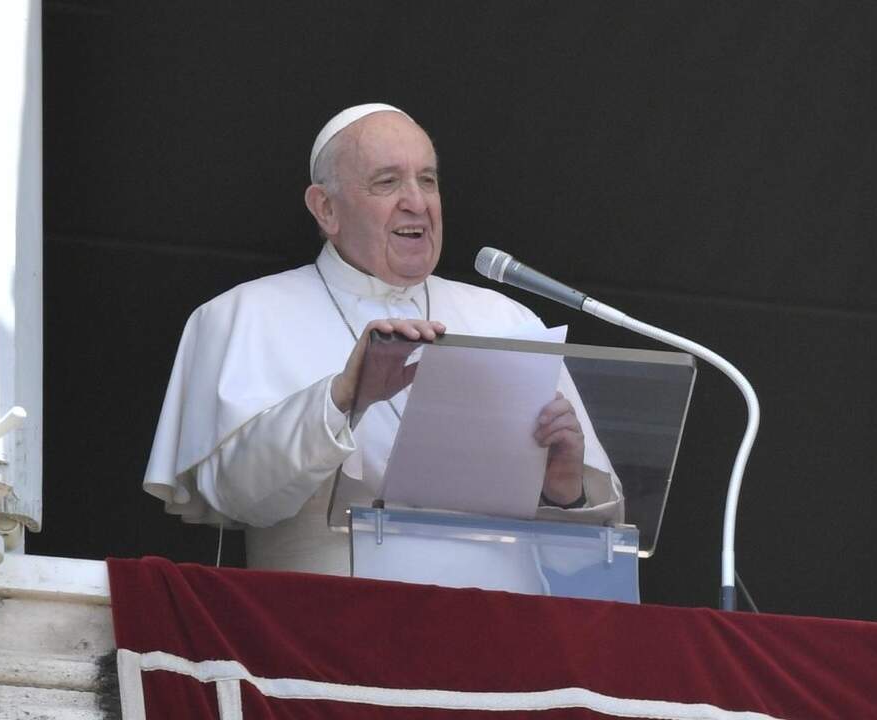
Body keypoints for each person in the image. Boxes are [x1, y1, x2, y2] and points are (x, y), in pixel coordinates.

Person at [143, 103, 622, 576]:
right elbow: (235, 496)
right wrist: (342, 399)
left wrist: (565, 491)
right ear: (326, 208)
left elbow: (583, 564)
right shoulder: (242, 315)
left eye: (428, 180)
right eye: (388, 182)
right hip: (326, 617)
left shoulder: (504, 318)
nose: (417, 202)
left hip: (501, 618)